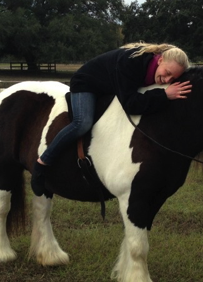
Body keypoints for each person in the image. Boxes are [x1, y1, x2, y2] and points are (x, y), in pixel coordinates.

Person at [32, 42, 192, 196]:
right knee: (82, 123)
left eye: (172, 79)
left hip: (108, 86)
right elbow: (131, 104)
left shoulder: (154, 69)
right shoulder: (131, 63)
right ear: (161, 59)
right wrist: (164, 95)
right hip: (86, 83)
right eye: (167, 73)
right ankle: (42, 162)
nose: (166, 80)